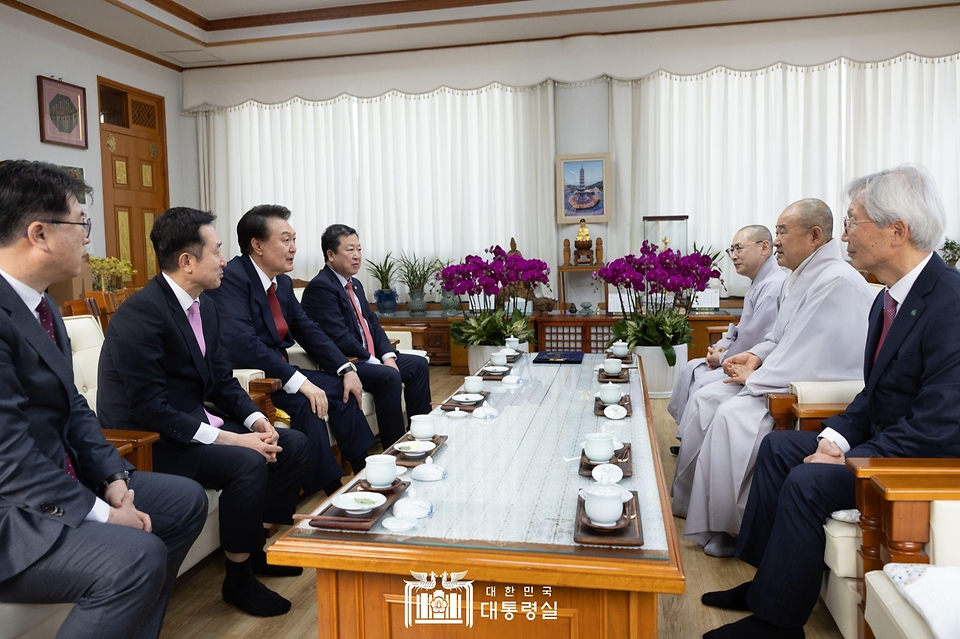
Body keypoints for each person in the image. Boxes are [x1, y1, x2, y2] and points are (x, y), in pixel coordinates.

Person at [702, 166, 960, 638]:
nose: (844, 237)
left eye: (852, 223)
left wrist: (856, 455)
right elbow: (875, 394)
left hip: (919, 465)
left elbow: (941, 426)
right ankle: (766, 584)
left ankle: (777, 625)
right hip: (887, 447)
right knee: (779, 449)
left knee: (808, 479)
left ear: (896, 231)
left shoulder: (951, 302)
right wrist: (834, 437)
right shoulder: (893, 298)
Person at [0, 160, 207, 638]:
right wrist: (102, 512)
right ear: (40, 234)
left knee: (183, 501)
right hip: (13, 511)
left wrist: (113, 478)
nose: (89, 238)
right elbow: (9, 461)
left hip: (58, 479)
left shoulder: (40, 303)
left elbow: (73, 406)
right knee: (139, 555)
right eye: (81, 224)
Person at [97, 207, 310, 618]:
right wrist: (235, 439)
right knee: (247, 461)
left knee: (291, 442)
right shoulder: (141, 315)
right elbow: (151, 410)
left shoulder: (205, 305)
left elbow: (220, 380)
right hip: (149, 439)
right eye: (216, 251)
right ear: (187, 261)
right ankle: (238, 578)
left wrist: (255, 419)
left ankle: (255, 547)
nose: (225, 260)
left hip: (191, 420)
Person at [671, 198, 874, 558]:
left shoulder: (836, 281)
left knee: (730, 416)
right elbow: (780, 338)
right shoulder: (798, 278)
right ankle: (692, 507)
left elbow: (809, 355)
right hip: (781, 374)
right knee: (709, 399)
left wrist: (756, 376)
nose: (776, 241)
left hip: (810, 389)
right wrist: (756, 356)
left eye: (781, 231)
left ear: (814, 236)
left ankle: (731, 528)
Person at [205, 205, 376, 497]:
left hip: (281, 371)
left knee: (341, 389)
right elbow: (245, 345)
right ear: (257, 245)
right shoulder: (232, 279)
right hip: (253, 378)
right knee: (306, 404)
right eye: (285, 240)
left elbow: (308, 330)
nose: (294, 248)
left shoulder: (281, 282)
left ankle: (367, 473)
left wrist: (345, 368)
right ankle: (332, 492)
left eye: (294, 240)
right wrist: (300, 382)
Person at [301, 224, 432, 446]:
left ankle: (420, 434)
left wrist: (388, 357)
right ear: (330, 255)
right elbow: (339, 337)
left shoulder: (356, 285)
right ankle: (396, 446)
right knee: (389, 376)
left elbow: (373, 324)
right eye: (350, 250)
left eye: (359, 250)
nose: (357, 256)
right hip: (349, 362)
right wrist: (376, 362)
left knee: (418, 365)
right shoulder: (320, 288)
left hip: (368, 357)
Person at [666, 225, 785, 429]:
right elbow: (743, 329)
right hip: (738, 352)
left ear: (764, 247)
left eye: (739, 248)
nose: (733, 256)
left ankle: (691, 441)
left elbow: (754, 339)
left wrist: (722, 357)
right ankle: (685, 435)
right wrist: (722, 346)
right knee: (691, 368)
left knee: (702, 383)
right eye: (732, 250)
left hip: (755, 364)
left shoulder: (773, 285)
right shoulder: (760, 281)